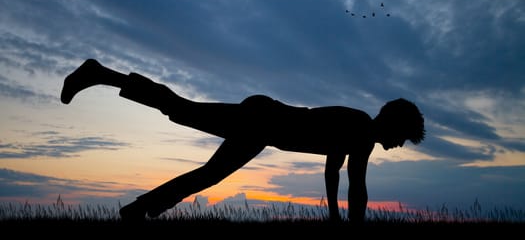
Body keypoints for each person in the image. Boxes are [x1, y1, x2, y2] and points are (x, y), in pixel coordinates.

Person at [60, 58, 425, 224]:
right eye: (404, 138)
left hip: (263, 124)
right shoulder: (361, 131)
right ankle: (100, 73)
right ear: (394, 125)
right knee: (181, 112)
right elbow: (355, 188)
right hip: (262, 121)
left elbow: (335, 173)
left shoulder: (358, 129)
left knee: (202, 158)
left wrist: (334, 218)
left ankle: (138, 210)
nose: (400, 146)